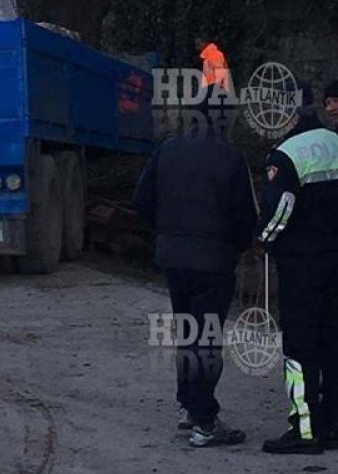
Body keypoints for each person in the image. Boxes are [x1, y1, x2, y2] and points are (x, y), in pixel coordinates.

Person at [134, 103, 257, 447]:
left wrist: (164, 234)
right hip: (213, 262)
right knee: (206, 338)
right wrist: (237, 246)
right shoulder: (231, 158)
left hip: (173, 258)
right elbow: (244, 215)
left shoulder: (167, 150)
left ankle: (188, 407)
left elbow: (141, 198)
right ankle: (205, 421)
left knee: (188, 332)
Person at [258, 93, 338, 454]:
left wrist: (263, 239)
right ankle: (334, 426)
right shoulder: (335, 142)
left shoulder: (287, 154)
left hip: (303, 266)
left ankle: (306, 430)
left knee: (300, 347)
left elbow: (280, 211)